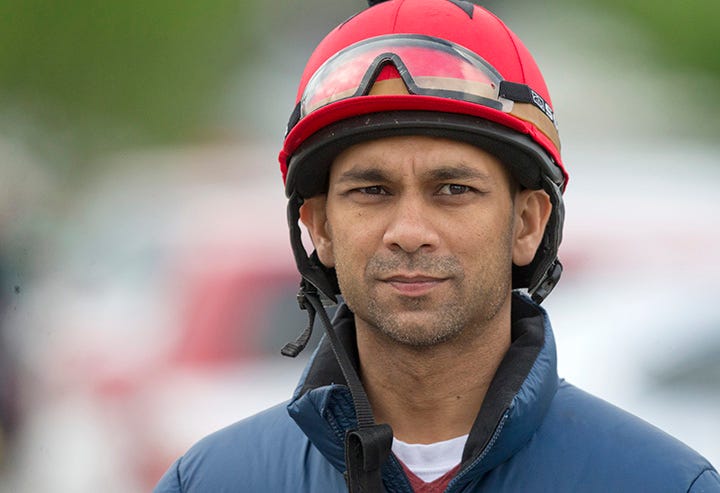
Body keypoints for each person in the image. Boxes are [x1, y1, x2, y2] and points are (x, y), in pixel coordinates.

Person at [155, 1, 720, 491]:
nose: (408, 231)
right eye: (372, 190)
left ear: (528, 224)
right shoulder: (210, 482)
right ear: (319, 226)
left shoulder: (663, 483)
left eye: (453, 189)